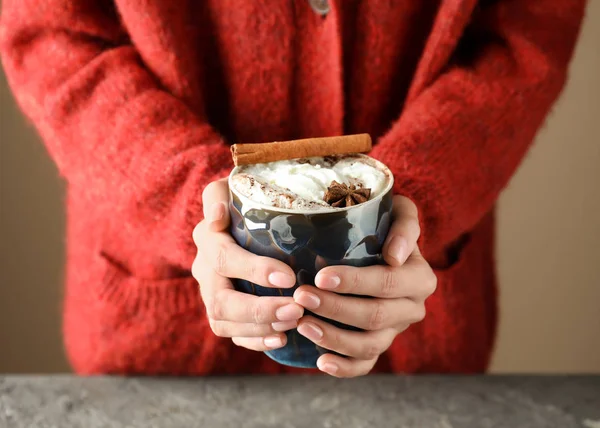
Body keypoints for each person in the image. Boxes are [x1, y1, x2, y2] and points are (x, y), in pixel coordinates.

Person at [0, 0, 585, 377]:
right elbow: (52, 33)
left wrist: (407, 203)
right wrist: (196, 207)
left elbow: (527, 34)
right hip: (161, 341)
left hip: (414, 341)